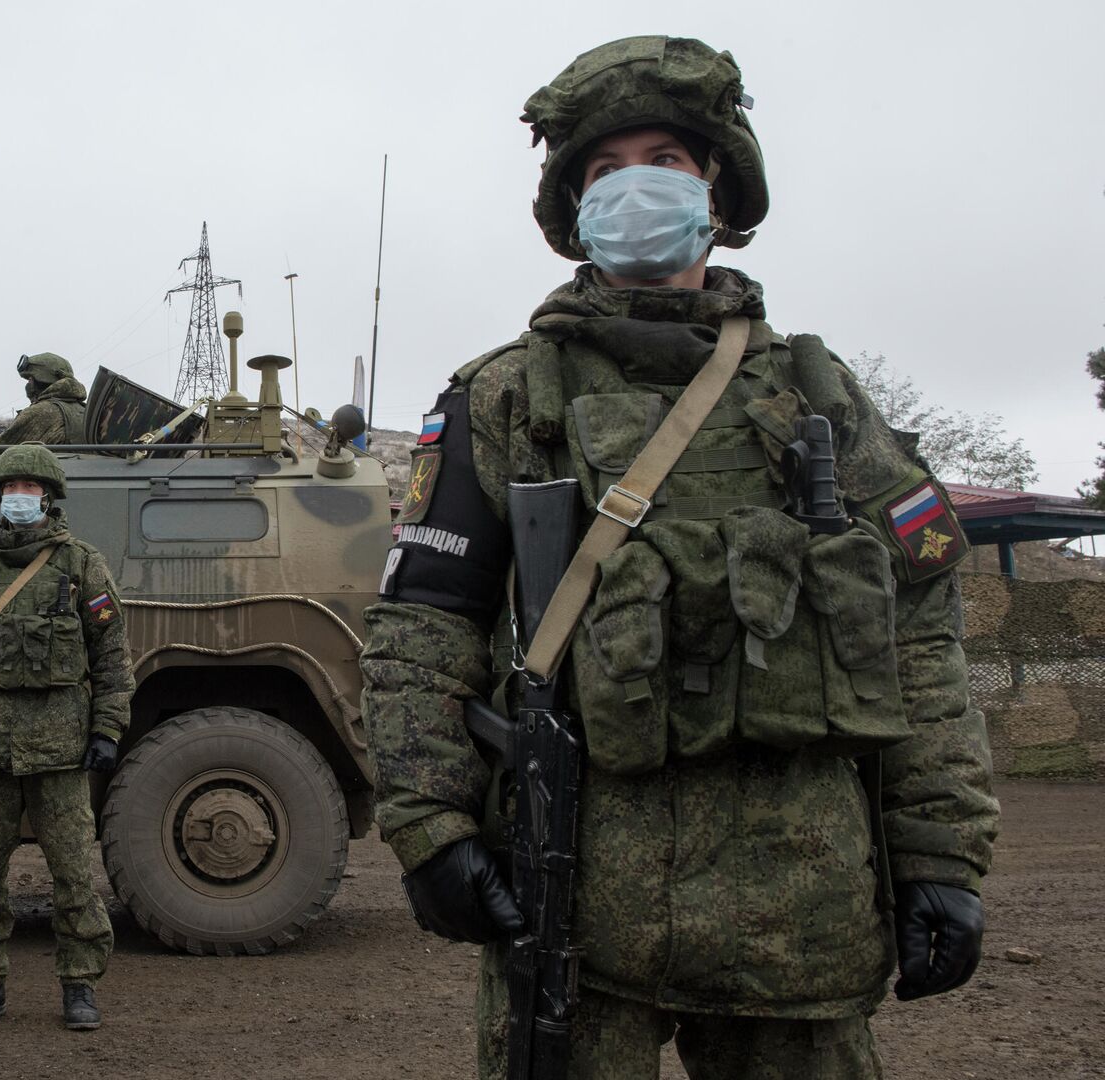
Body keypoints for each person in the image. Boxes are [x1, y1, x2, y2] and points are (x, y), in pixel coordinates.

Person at [362, 35, 998, 1078]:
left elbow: (922, 638)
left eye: (664, 159)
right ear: (572, 209)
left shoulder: (820, 399)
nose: (633, 187)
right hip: (578, 913)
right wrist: (429, 823)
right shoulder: (506, 397)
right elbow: (422, 624)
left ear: (716, 188)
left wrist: (940, 852)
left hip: (802, 916)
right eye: (603, 171)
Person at [0, 442, 132, 1030]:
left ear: (49, 496)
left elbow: (112, 656)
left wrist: (108, 728)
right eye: (10, 488)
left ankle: (79, 986)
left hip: (61, 751)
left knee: (73, 875)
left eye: (30, 489)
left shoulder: (81, 564)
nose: (19, 497)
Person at [0, 353, 88, 445]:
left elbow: (2, 449)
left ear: (40, 379)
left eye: (30, 380)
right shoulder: (85, 410)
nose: (28, 384)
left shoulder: (38, 412)